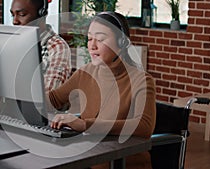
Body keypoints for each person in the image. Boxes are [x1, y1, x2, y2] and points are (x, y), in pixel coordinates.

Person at [48, 12, 156, 169]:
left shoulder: (142, 81)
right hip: (88, 159)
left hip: (124, 163)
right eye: (90, 38)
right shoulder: (85, 72)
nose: (92, 46)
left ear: (122, 43)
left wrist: (86, 125)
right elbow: (53, 100)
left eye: (100, 39)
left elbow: (144, 127)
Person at [10, 0, 71, 91]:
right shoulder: (13, 45)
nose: (14, 21)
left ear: (41, 15)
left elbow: (48, 94)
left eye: (22, 14)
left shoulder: (57, 47)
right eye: (12, 15)